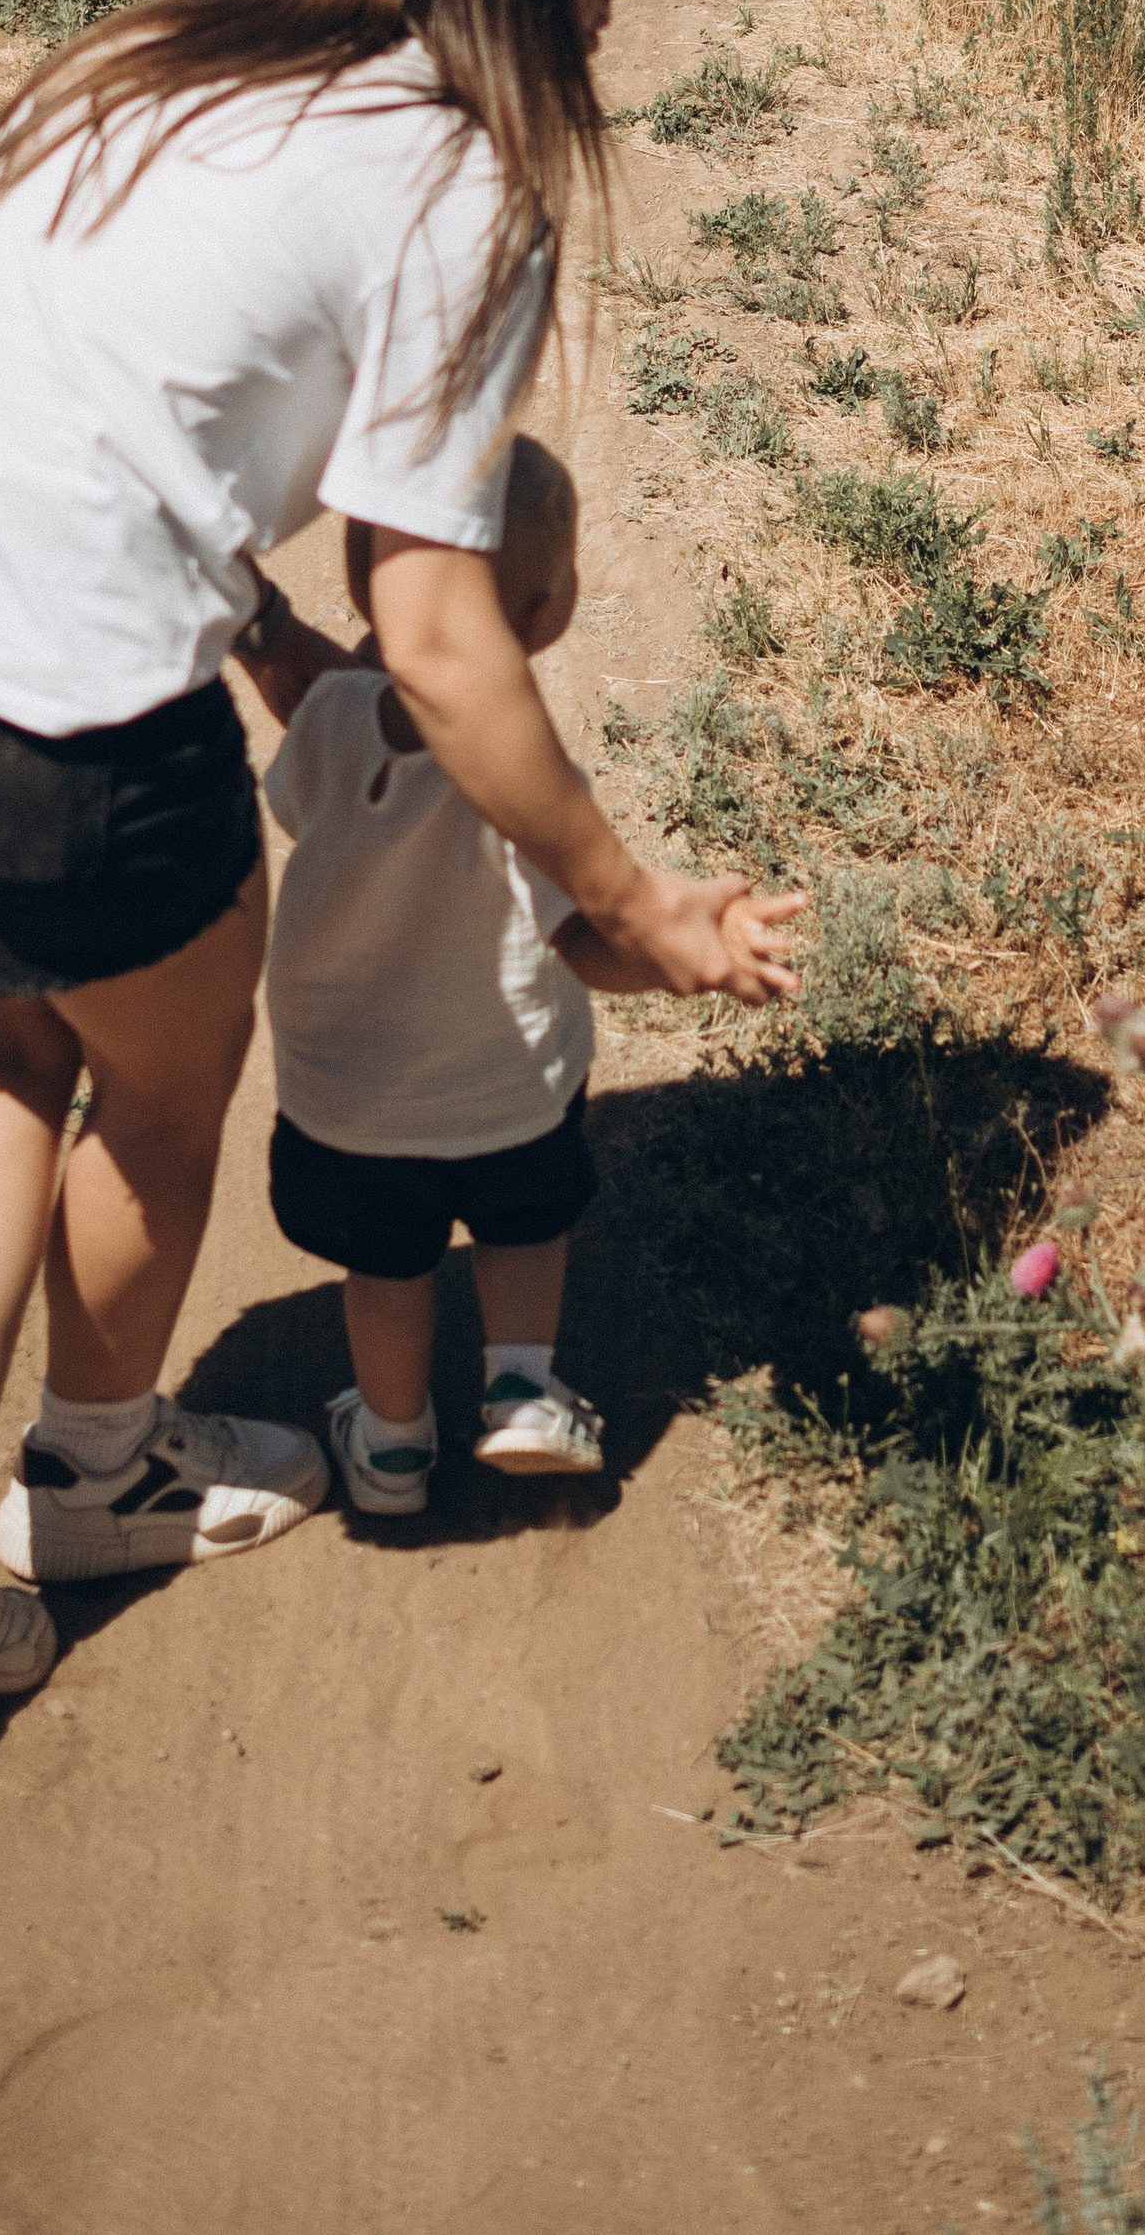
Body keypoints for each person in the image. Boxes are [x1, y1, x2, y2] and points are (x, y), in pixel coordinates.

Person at [0, 0, 803, 1704]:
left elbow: (61, 360)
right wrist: (627, 894)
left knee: (1, 1033)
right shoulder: (464, 185)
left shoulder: (164, 47)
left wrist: (220, 585)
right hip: (40, 685)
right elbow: (441, 629)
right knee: (151, 1079)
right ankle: (101, 1471)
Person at [252, 436, 704, 1510]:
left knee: (389, 1270)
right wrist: (669, 963)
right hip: (509, 1089)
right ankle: (521, 1395)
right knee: (519, 1230)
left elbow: (301, 761)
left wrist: (268, 629)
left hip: (354, 1097)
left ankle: (394, 1444)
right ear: (548, 615)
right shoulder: (537, 783)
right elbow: (581, 938)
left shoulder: (322, 724)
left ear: (366, 585)